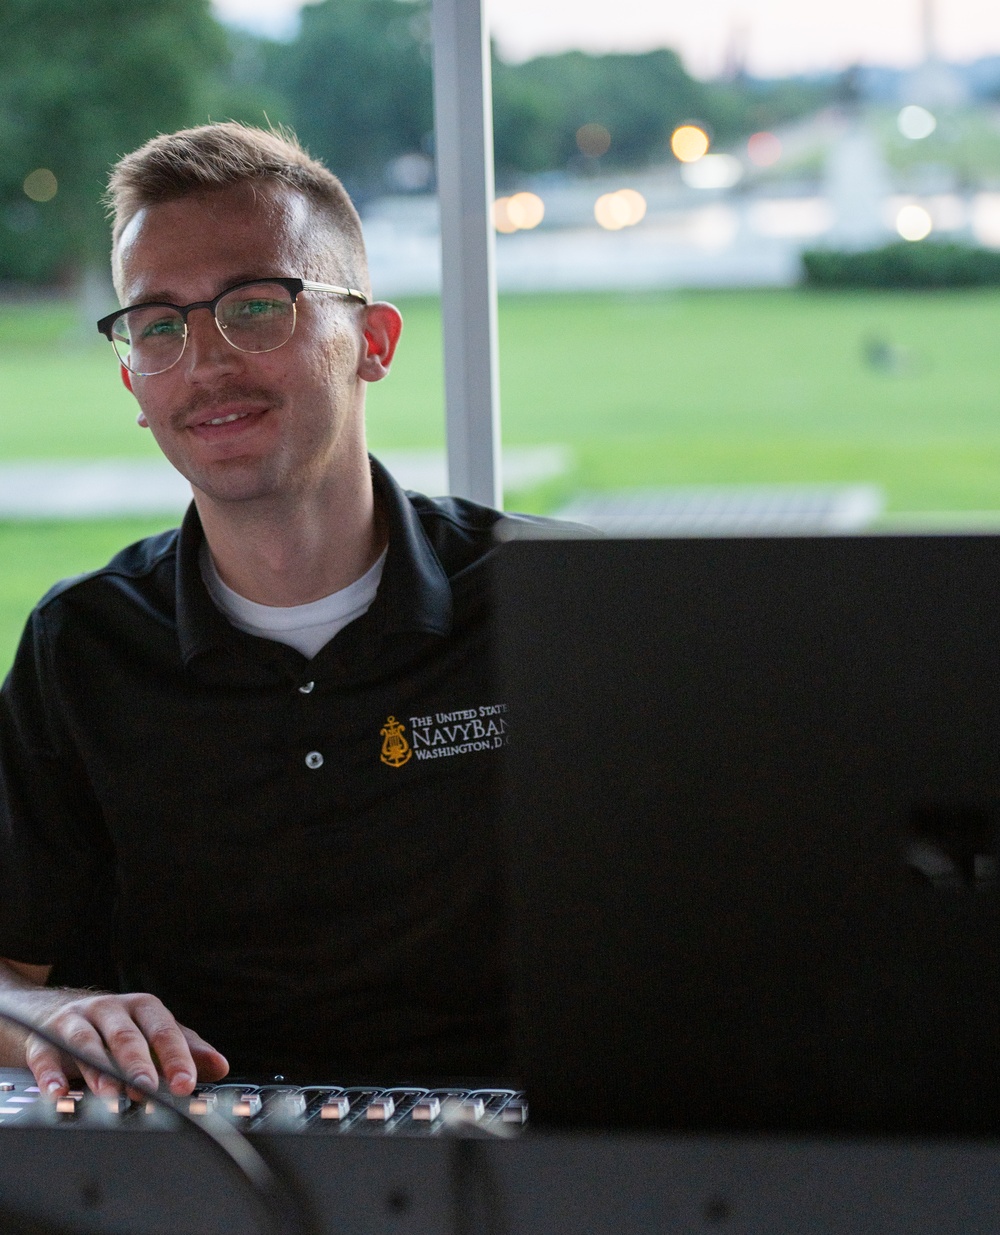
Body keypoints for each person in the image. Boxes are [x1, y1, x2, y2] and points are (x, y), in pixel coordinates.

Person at [0, 122, 536, 1099]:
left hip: (542, 1170)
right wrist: (56, 1013)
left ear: (372, 341)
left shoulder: (556, 602)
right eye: (158, 324)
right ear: (132, 377)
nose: (204, 362)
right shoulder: (81, 647)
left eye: (256, 306)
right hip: (193, 1170)